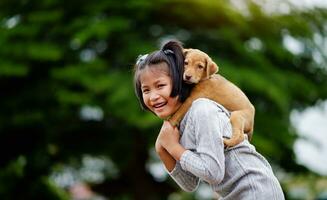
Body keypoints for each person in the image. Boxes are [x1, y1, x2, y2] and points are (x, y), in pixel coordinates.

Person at [133, 40, 285, 199]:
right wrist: (163, 149)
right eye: (146, 90)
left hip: (256, 191)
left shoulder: (202, 110)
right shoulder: (184, 120)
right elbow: (189, 184)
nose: (153, 96)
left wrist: (173, 147)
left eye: (160, 85)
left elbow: (213, 173)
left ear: (178, 80)